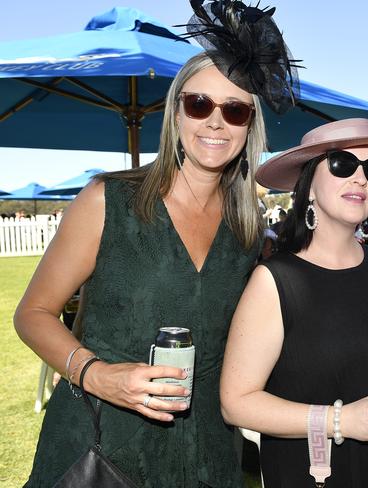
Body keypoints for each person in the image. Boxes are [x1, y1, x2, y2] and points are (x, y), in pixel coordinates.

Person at [14, 1, 299, 486]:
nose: (215, 122)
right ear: (176, 112)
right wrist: (96, 374)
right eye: (199, 104)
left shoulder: (247, 230)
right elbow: (33, 313)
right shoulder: (110, 200)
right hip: (99, 442)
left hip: (206, 450)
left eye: (234, 110)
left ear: (250, 127)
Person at [220, 118, 368, 487]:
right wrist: (343, 421)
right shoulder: (275, 280)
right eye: (342, 164)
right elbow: (235, 402)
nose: (361, 178)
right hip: (320, 473)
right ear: (309, 186)